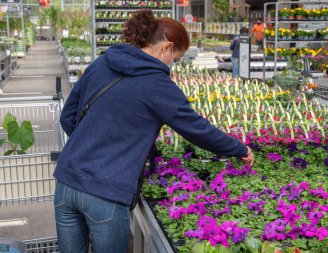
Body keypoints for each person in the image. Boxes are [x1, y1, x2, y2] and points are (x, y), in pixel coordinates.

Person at [54, 10, 254, 253]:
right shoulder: (158, 84)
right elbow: (198, 130)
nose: (173, 65)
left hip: (66, 183)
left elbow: (68, 117)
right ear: (167, 48)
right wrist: (239, 148)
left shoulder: (102, 63)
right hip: (105, 194)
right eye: (176, 59)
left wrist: (94, 144)